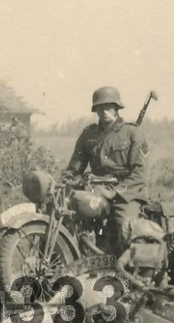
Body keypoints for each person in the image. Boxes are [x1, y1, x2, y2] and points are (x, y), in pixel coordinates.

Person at [63, 86, 151, 255]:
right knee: (70, 215)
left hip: (127, 192)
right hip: (97, 189)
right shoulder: (89, 135)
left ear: (117, 108)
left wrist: (114, 192)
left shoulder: (132, 133)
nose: (104, 111)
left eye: (108, 106)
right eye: (99, 107)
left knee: (125, 226)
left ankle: (130, 270)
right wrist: (65, 181)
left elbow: (139, 175)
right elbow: (75, 167)